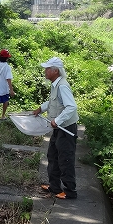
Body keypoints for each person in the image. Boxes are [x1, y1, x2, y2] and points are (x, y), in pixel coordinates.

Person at [32, 57, 78, 200]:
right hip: (59, 128)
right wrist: (40, 109)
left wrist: (57, 121)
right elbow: (53, 101)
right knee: (52, 156)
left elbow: (71, 107)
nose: (45, 71)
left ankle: (70, 191)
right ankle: (54, 186)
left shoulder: (62, 85)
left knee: (65, 159)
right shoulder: (55, 85)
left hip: (66, 128)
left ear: (56, 71)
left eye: (47, 69)